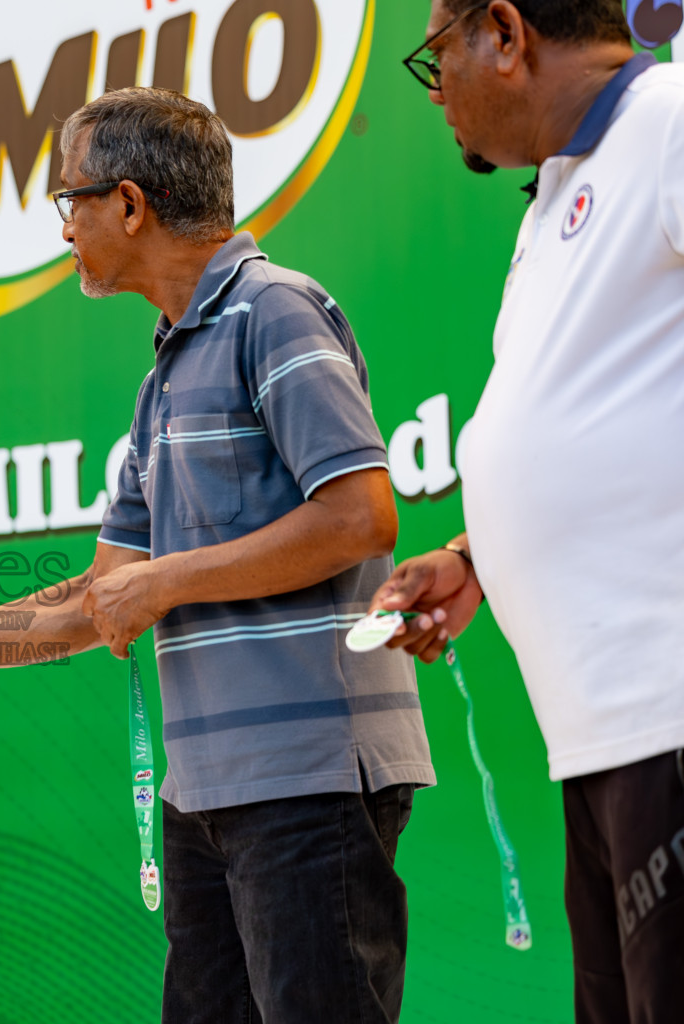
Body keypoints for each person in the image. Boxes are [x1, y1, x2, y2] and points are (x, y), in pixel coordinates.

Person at [0, 88, 435, 1024]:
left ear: (131, 205)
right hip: (204, 799)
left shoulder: (278, 311)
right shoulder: (164, 376)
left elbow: (360, 517)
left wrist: (171, 580)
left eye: (71, 200)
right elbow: (102, 599)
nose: (64, 227)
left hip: (309, 782)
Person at [379, 2, 684, 1020]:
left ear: (505, 35)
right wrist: (476, 553)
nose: (436, 93)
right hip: (600, 737)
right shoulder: (554, 193)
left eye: (439, 56)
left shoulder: (669, 121)